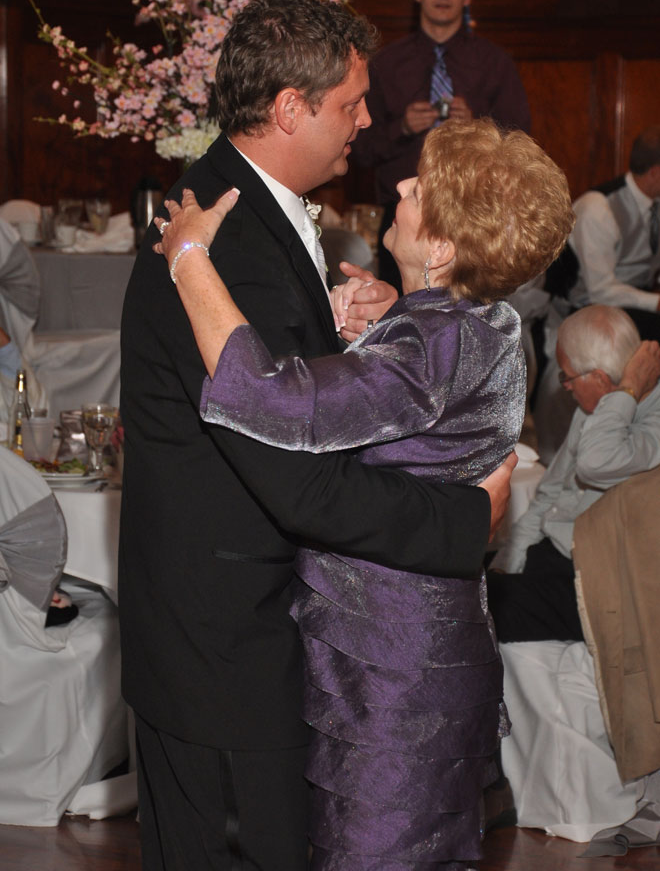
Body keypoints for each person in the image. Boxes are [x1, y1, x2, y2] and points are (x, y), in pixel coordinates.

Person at [118, 0, 517, 871]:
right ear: (290, 107)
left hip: (235, 640)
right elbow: (293, 475)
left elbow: (306, 395)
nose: (368, 122)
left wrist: (361, 333)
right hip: (227, 654)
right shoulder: (221, 246)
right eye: (350, 104)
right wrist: (459, 522)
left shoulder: (239, 210)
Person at [153, 118, 574, 869]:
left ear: (443, 249)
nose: (402, 187)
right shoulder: (494, 322)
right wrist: (393, 319)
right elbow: (434, 395)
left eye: (421, 189)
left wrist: (189, 258)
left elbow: (274, 399)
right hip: (429, 647)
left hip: (390, 672)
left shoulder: (431, 345)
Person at [352, 0, 531, 288]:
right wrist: (401, 127)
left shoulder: (495, 64)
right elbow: (358, 148)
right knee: (401, 318)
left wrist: (477, 128)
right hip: (402, 215)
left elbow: (522, 147)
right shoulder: (385, 65)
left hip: (477, 216)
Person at [488, 304, 660, 643]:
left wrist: (624, 393)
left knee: (474, 613)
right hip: (550, 557)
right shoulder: (593, 410)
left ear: (597, 377)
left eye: (567, 376)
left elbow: (596, 463)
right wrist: (511, 563)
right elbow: (549, 496)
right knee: (465, 587)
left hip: (595, 581)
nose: (564, 386)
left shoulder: (649, 417)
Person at [566, 124, 660, 341]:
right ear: (655, 173)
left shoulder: (656, 203)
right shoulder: (598, 208)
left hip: (638, 305)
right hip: (590, 311)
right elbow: (600, 290)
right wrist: (654, 302)